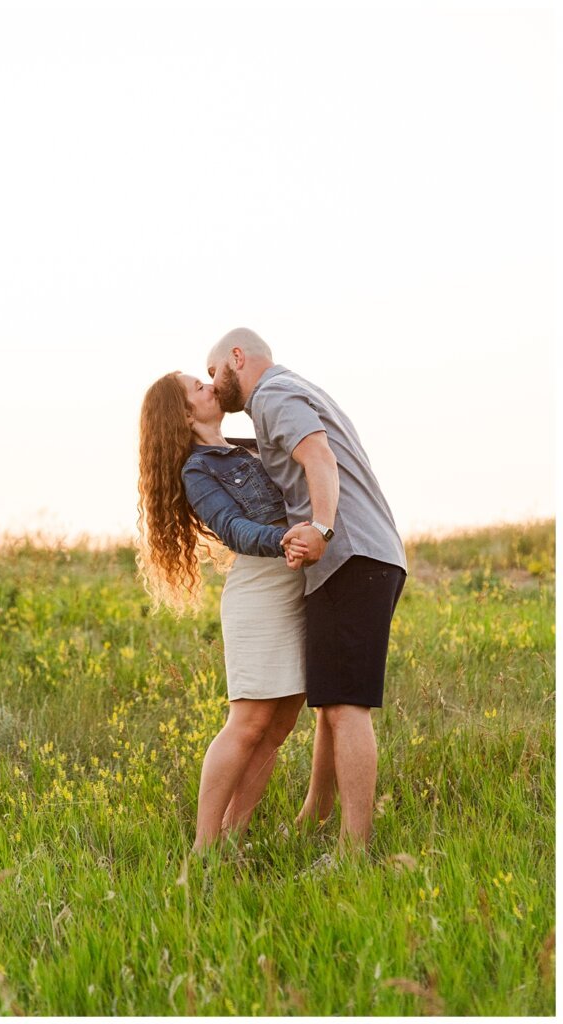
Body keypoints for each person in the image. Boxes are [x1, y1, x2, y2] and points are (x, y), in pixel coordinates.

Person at [206, 328, 408, 858]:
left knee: (345, 707)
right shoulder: (290, 394)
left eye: (211, 372)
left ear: (236, 357)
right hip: (356, 558)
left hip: (350, 555)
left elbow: (318, 456)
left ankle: (352, 850)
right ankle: (313, 820)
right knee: (329, 704)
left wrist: (320, 527)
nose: (212, 384)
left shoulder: (272, 394)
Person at [137, 371, 329, 852]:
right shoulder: (198, 470)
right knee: (247, 723)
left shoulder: (249, 442)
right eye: (196, 388)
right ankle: (204, 851)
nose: (209, 386)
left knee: (280, 724)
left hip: (295, 582)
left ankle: (232, 837)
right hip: (260, 591)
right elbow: (233, 528)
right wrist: (285, 539)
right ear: (183, 414)